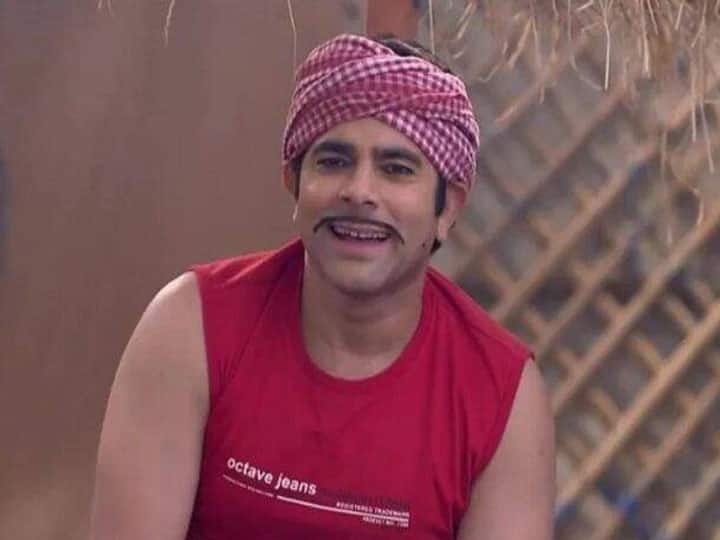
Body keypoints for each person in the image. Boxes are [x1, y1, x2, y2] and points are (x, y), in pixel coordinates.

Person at [90, 34, 555, 539]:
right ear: (293, 182)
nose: (359, 191)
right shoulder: (191, 327)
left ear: (448, 208)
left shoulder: (500, 394)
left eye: (396, 169)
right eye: (333, 161)